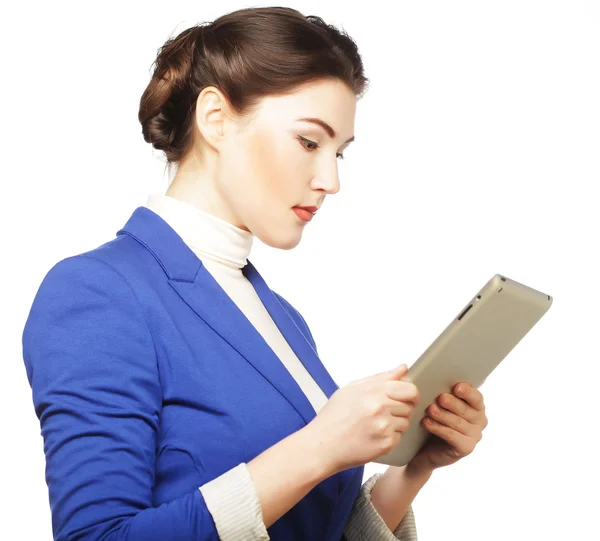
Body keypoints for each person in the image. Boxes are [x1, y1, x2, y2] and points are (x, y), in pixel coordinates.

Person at [21, 6, 488, 541]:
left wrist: (414, 467)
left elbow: (307, 529)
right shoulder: (96, 292)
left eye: (341, 152)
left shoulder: (279, 316)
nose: (331, 180)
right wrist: (318, 448)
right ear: (216, 118)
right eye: (310, 142)